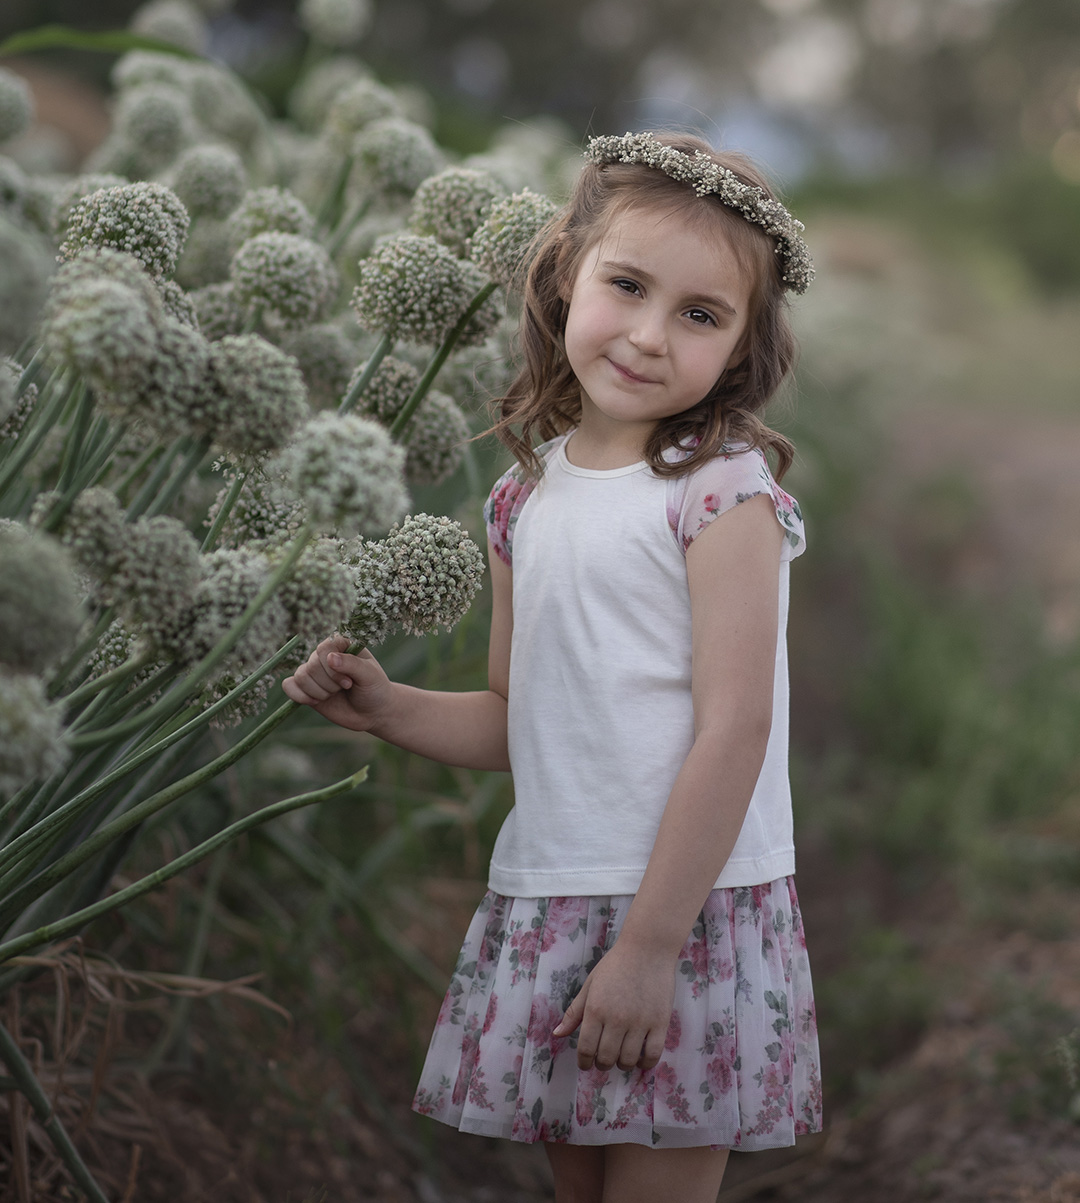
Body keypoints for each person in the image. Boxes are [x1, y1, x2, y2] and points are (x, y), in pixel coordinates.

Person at [283, 130, 822, 1203]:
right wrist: (389, 708)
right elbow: (514, 717)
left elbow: (737, 728)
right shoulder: (520, 499)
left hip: (686, 912)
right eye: (627, 286)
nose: (649, 335)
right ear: (569, 269)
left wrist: (652, 947)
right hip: (556, 896)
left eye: (701, 315)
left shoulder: (721, 491)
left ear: (743, 346)